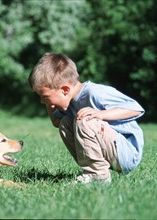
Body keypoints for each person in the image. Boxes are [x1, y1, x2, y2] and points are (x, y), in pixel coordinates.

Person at [28, 53, 145, 184]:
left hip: (126, 153)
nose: (42, 101)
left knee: (84, 120)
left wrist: (100, 114)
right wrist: (50, 102)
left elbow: (136, 109)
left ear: (65, 90)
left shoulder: (96, 93)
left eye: (45, 96)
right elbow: (56, 122)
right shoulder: (69, 102)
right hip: (111, 150)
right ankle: (94, 171)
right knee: (65, 123)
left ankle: (97, 175)